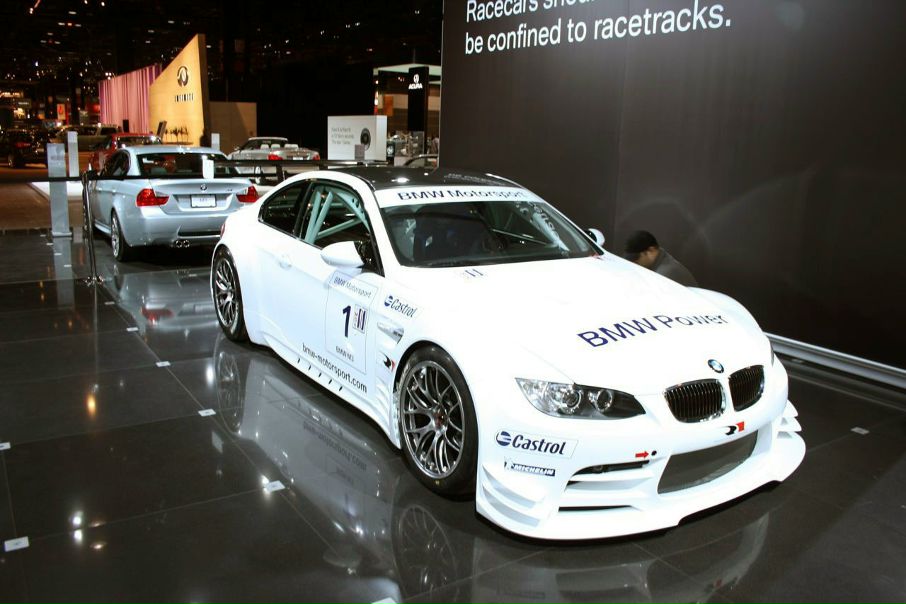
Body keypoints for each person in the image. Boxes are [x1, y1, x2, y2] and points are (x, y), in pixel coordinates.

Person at [624, 230, 698, 287]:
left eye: (636, 258)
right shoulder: (660, 262)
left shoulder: (665, 274)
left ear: (651, 250)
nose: (634, 262)